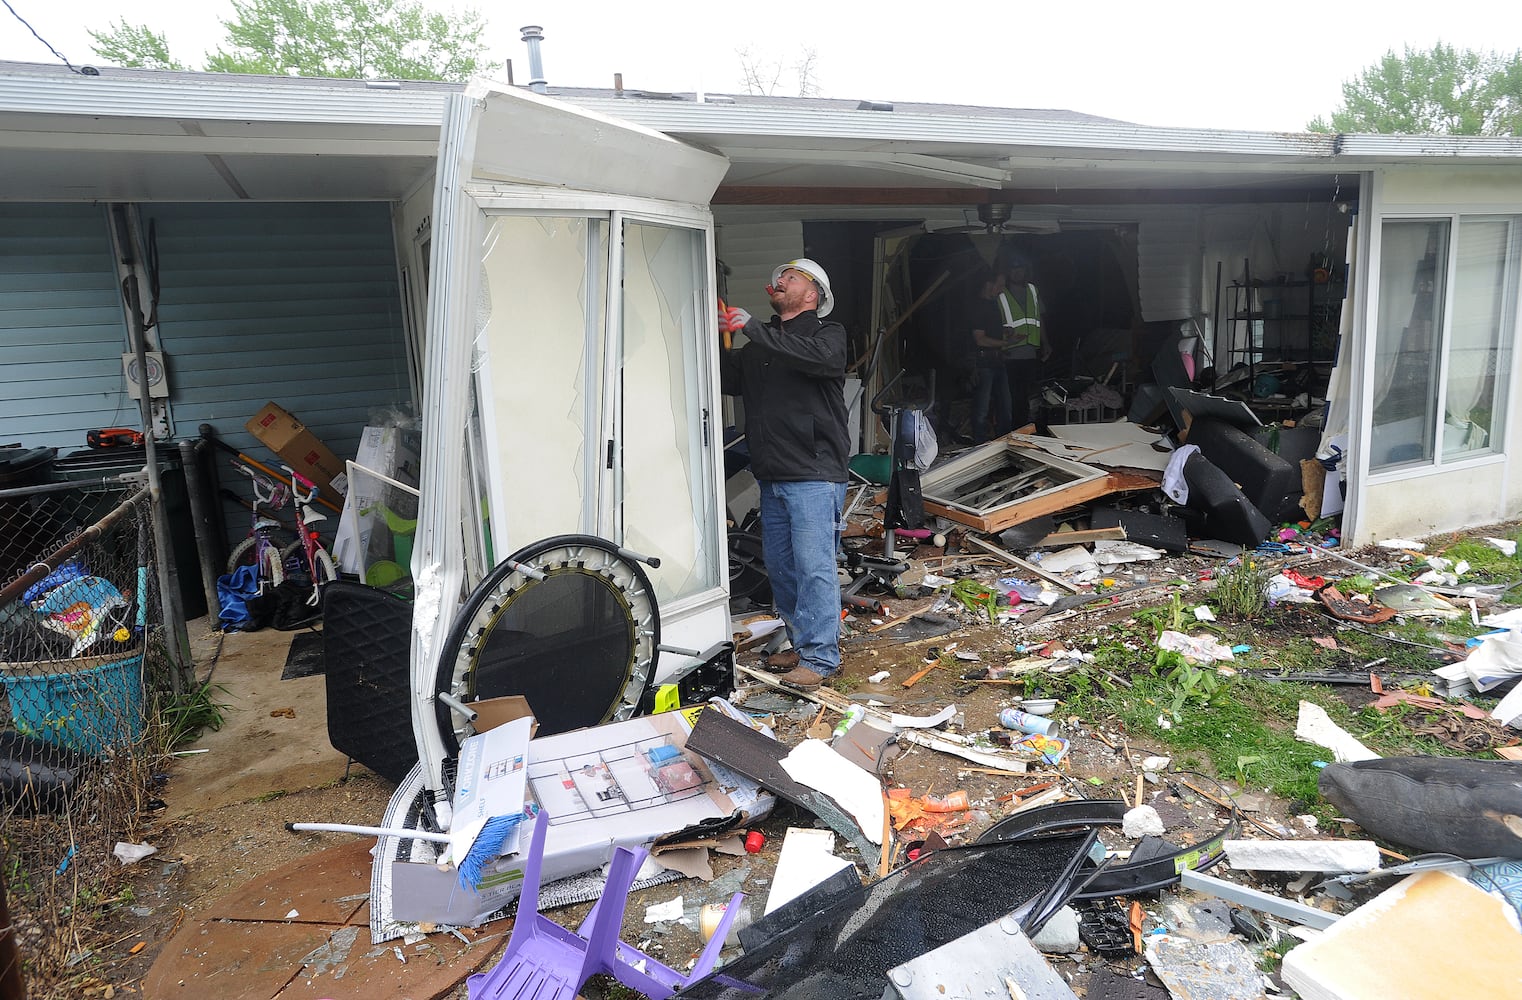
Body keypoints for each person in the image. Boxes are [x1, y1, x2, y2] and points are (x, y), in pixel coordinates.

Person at [718, 259, 848, 692]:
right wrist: (714, 338)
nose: (778, 281)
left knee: (814, 568)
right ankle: (803, 641)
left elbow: (821, 360)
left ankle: (822, 658)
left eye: (790, 277)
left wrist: (753, 328)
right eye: (778, 276)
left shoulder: (826, 334)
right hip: (773, 475)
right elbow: (728, 378)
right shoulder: (761, 344)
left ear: (813, 294)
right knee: (783, 568)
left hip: (814, 472)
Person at [997, 251, 1047, 430]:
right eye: (1014, 269)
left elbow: (1039, 320)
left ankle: (1023, 429)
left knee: (1026, 396)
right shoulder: (1001, 293)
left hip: (1029, 353)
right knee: (1011, 397)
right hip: (1009, 354)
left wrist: (1045, 343)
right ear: (1008, 272)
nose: (1018, 273)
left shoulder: (1033, 290)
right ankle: (1012, 430)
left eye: (1021, 269)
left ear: (1026, 271)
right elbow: (992, 322)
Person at [967, 268, 1011, 442]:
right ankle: (979, 446)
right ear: (988, 284)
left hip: (999, 361)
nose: (1001, 289)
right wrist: (1006, 343)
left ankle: (1005, 444)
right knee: (982, 410)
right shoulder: (977, 307)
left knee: (1005, 407)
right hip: (984, 363)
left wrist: (1006, 332)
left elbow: (991, 331)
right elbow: (980, 339)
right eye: (999, 285)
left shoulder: (995, 305)